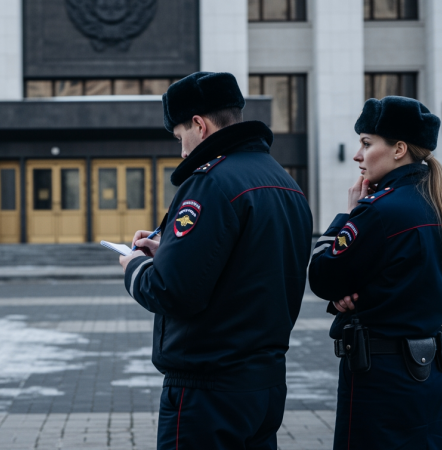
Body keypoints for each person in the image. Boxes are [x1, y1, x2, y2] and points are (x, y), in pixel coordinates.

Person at [118, 72, 314, 449]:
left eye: (180, 139)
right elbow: (247, 266)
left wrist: (135, 267)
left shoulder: (210, 182)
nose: (182, 153)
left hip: (208, 391)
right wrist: (171, 252)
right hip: (265, 386)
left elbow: (171, 290)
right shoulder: (284, 183)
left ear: (199, 125)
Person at [309, 96, 442, 449]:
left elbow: (322, 276)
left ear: (398, 149)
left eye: (366, 143)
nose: (357, 155)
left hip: (378, 379)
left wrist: (348, 217)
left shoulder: (381, 212)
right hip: (427, 376)